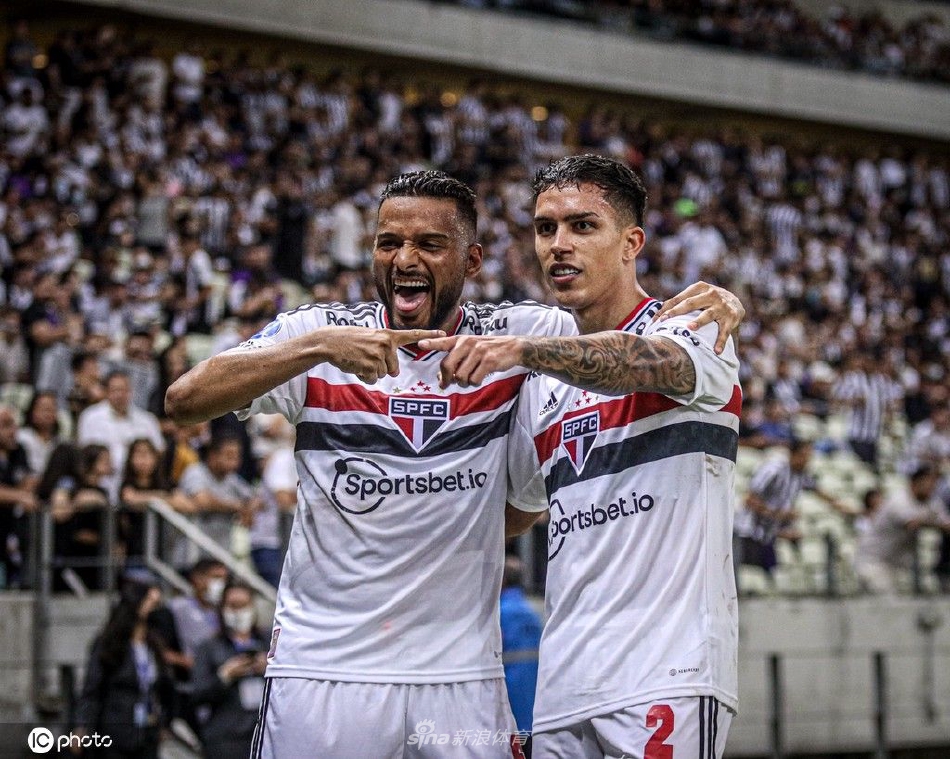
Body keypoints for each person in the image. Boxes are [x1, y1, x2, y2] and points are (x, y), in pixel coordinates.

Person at [165, 170, 743, 758]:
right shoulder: (319, 335)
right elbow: (184, 400)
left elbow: (630, 338)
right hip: (323, 669)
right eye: (389, 243)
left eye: (430, 244)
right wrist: (316, 349)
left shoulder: (527, 337)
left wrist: (722, 300)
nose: (404, 259)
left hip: (467, 681)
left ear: (471, 261)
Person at [419, 155, 743, 757]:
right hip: (563, 682)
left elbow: (644, 363)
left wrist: (525, 350)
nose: (559, 244)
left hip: (666, 672)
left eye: (582, 226)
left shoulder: (694, 326)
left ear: (631, 243)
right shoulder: (540, 384)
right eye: (546, 228)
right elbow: (517, 509)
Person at [74, 575, 172, 759]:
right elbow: (92, 687)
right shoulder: (110, 643)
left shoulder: (153, 645)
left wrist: (164, 722)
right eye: (149, 602)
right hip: (116, 729)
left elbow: (164, 686)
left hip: (147, 730)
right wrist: (82, 725)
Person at [733, 438, 849, 588]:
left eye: (809, 457)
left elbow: (816, 490)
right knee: (741, 571)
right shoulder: (773, 470)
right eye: (804, 456)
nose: (807, 461)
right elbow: (749, 499)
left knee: (769, 572)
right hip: (747, 530)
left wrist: (839, 505)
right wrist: (778, 514)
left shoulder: (800, 474)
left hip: (768, 533)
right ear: (793, 454)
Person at [191, 582, 269, 759]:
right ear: (222, 608)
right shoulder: (209, 647)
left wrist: (270, 669)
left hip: (263, 735)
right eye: (233, 606)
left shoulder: (267, 642)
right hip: (226, 739)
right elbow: (198, 694)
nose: (238, 611)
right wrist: (225, 676)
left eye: (243, 605)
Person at [854, 466, 950, 594]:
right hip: (873, 562)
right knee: (887, 602)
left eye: (934, 483)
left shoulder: (932, 502)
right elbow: (911, 524)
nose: (932, 487)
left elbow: (946, 525)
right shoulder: (899, 501)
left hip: (897, 564)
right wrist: (936, 524)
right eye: (929, 483)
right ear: (915, 483)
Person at [499, 556, 542, 736]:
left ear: (502, 579)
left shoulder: (498, 613)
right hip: (534, 695)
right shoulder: (535, 610)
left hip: (506, 695)